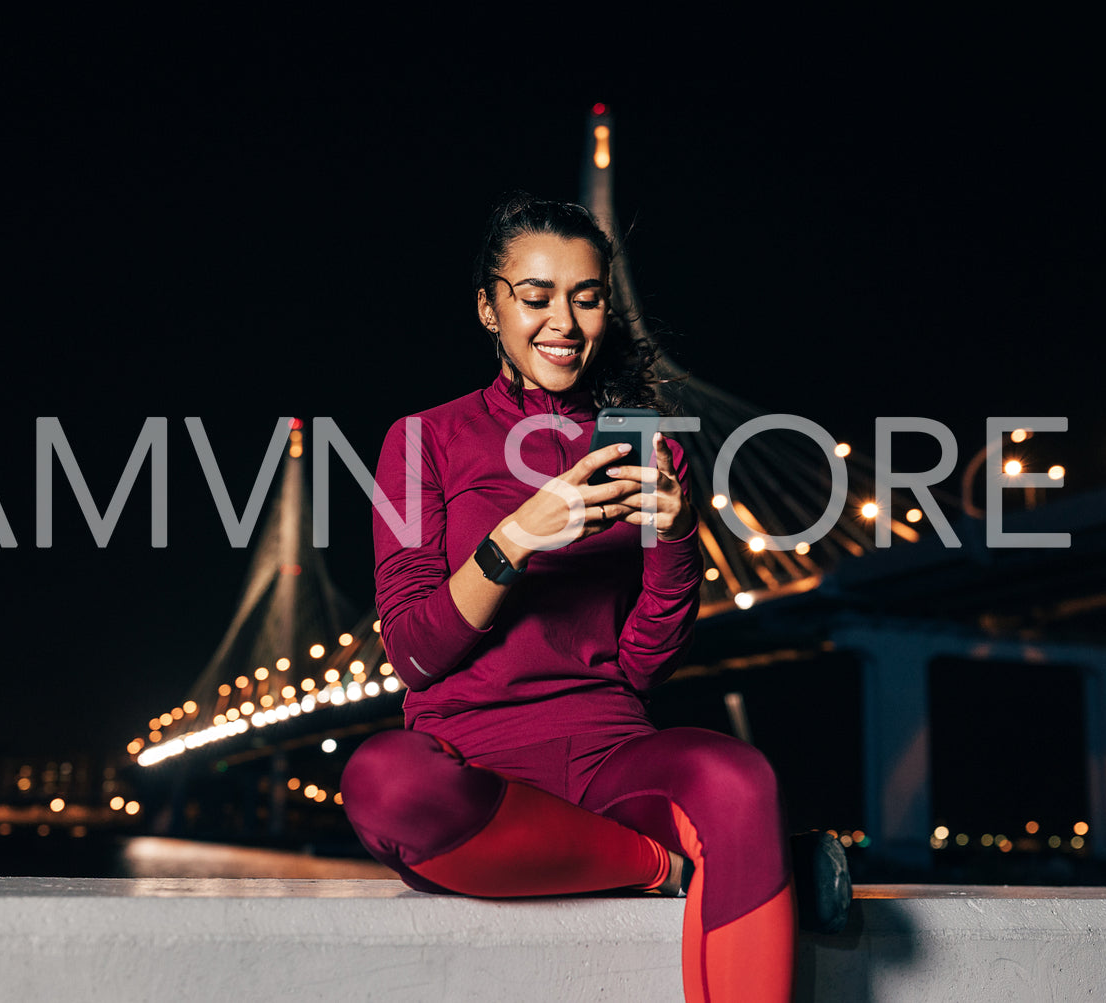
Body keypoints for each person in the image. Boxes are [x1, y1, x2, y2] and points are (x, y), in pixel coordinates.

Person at [341, 193, 797, 1001]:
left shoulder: (645, 450)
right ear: (487, 306)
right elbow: (413, 654)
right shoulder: (423, 440)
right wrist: (516, 536)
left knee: (740, 778)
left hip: (607, 754)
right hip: (472, 767)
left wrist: (680, 535)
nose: (564, 321)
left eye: (586, 297)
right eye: (535, 294)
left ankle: (669, 848)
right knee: (384, 782)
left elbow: (644, 664)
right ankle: (655, 864)